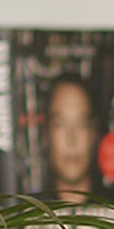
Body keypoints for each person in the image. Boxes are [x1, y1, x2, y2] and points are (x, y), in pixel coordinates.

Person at [43, 73, 96, 202]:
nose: (72, 139)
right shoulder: (29, 217)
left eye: (81, 124)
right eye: (60, 125)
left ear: (93, 133)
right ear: (46, 133)